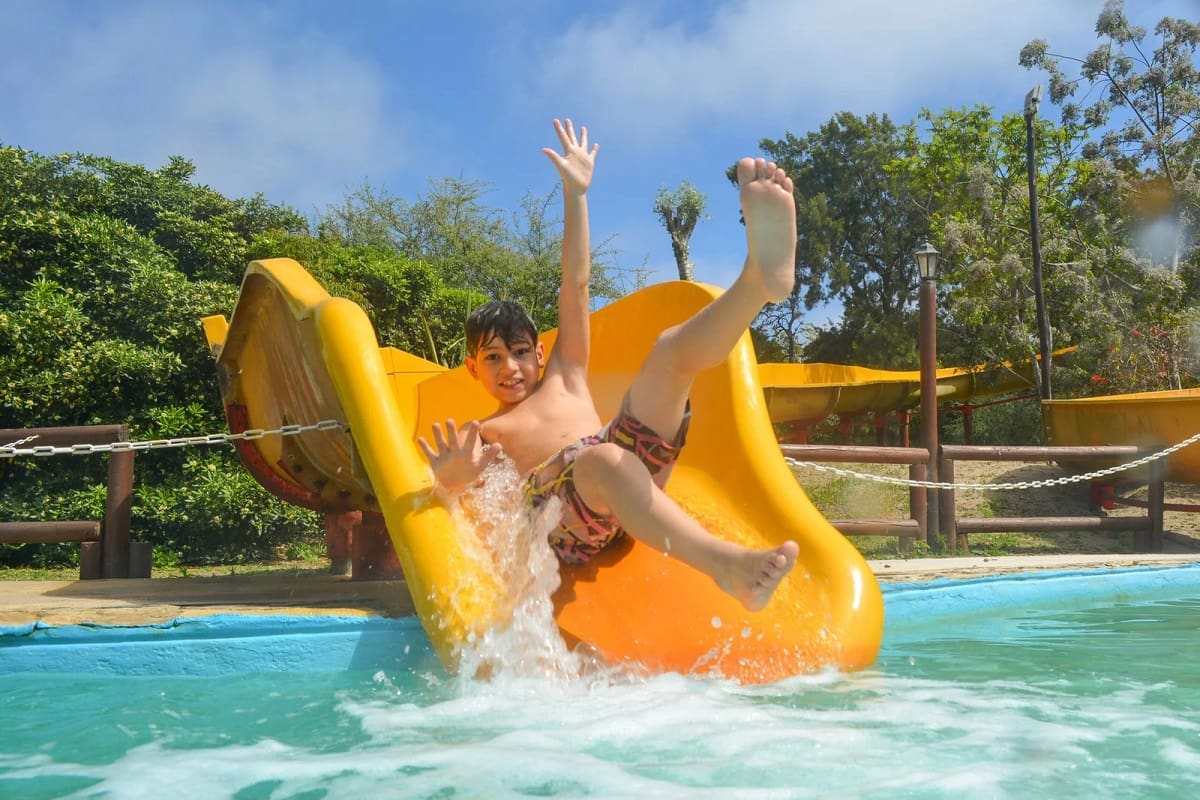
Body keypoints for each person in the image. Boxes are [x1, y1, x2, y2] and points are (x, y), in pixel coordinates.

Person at [418, 118, 799, 612]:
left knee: (669, 352)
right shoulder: (484, 433)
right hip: (563, 521)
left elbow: (575, 284)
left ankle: (757, 284)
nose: (509, 366)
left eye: (519, 352)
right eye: (493, 357)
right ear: (473, 368)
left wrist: (576, 194)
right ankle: (728, 566)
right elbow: (476, 522)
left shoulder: (566, 374)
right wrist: (451, 482)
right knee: (601, 460)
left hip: (623, 476)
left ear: (539, 354)